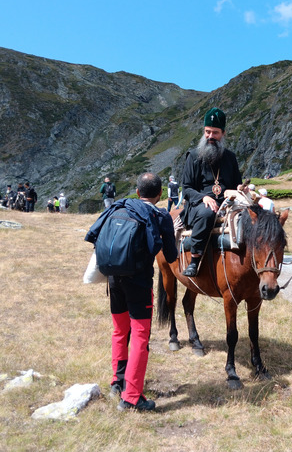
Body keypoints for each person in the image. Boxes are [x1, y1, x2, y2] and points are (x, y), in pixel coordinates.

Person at [100, 173, 179, 411]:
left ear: (137, 192)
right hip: (139, 282)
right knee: (140, 336)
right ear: (160, 195)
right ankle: (131, 397)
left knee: (119, 330)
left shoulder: (119, 207)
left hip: (113, 279)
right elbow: (172, 256)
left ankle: (117, 381)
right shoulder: (160, 214)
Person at [179, 107, 243, 277]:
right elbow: (186, 188)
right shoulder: (193, 156)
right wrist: (203, 197)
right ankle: (195, 260)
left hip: (227, 203)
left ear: (223, 133)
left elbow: (238, 184)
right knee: (208, 213)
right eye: (207, 132)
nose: (210, 136)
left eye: (215, 133)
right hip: (199, 205)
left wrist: (237, 190)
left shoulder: (230, 157)